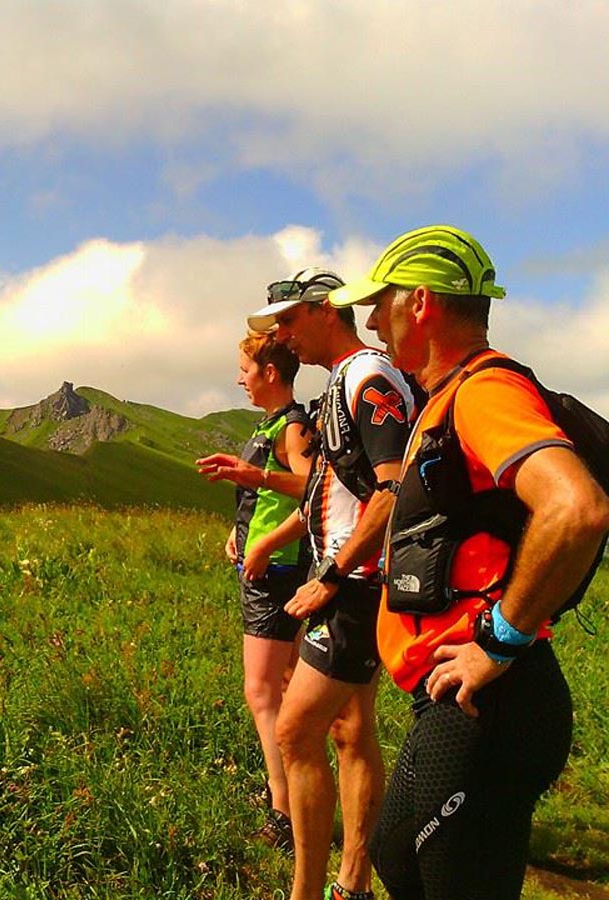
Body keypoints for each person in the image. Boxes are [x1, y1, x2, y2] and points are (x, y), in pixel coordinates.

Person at [327, 224, 609, 900]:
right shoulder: (444, 398)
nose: (370, 320)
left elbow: (576, 508)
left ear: (419, 303)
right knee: (397, 854)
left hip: (494, 700)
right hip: (452, 700)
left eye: (381, 301)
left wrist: (499, 641)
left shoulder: (484, 392)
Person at [245, 267, 416, 900]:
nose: (283, 338)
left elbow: (393, 491)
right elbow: (337, 490)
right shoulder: (345, 382)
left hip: (357, 584)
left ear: (325, 313)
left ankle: (308, 892)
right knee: (349, 726)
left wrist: (332, 578)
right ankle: (353, 882)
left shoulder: (367, 378)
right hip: (354, 579)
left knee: (294, 731)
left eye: (289, 321)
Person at [197, 330, 313, 850]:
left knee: (261, 692)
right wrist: (239, 531)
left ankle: (283, 813)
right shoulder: (270, 423)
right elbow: (265, 497)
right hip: (266, 562)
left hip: (276, 572)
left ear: (270, 373)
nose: (239, 379)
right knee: (283, 686)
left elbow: (313, 486)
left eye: (245, 369)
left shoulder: (292, 426)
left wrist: (253, 476)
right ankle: (296, 795)